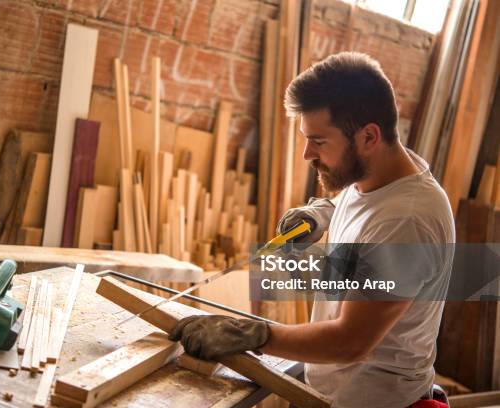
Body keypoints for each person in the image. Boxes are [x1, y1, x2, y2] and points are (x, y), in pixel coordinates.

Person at [168, 52, 455, 408]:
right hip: (335, 390)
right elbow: (368, 206)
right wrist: (322, 213)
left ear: (368, 136)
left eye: (318, 141)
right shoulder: (381, 168)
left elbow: (349, 341)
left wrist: (254, 334)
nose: (306, 154)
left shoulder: (408, 221)